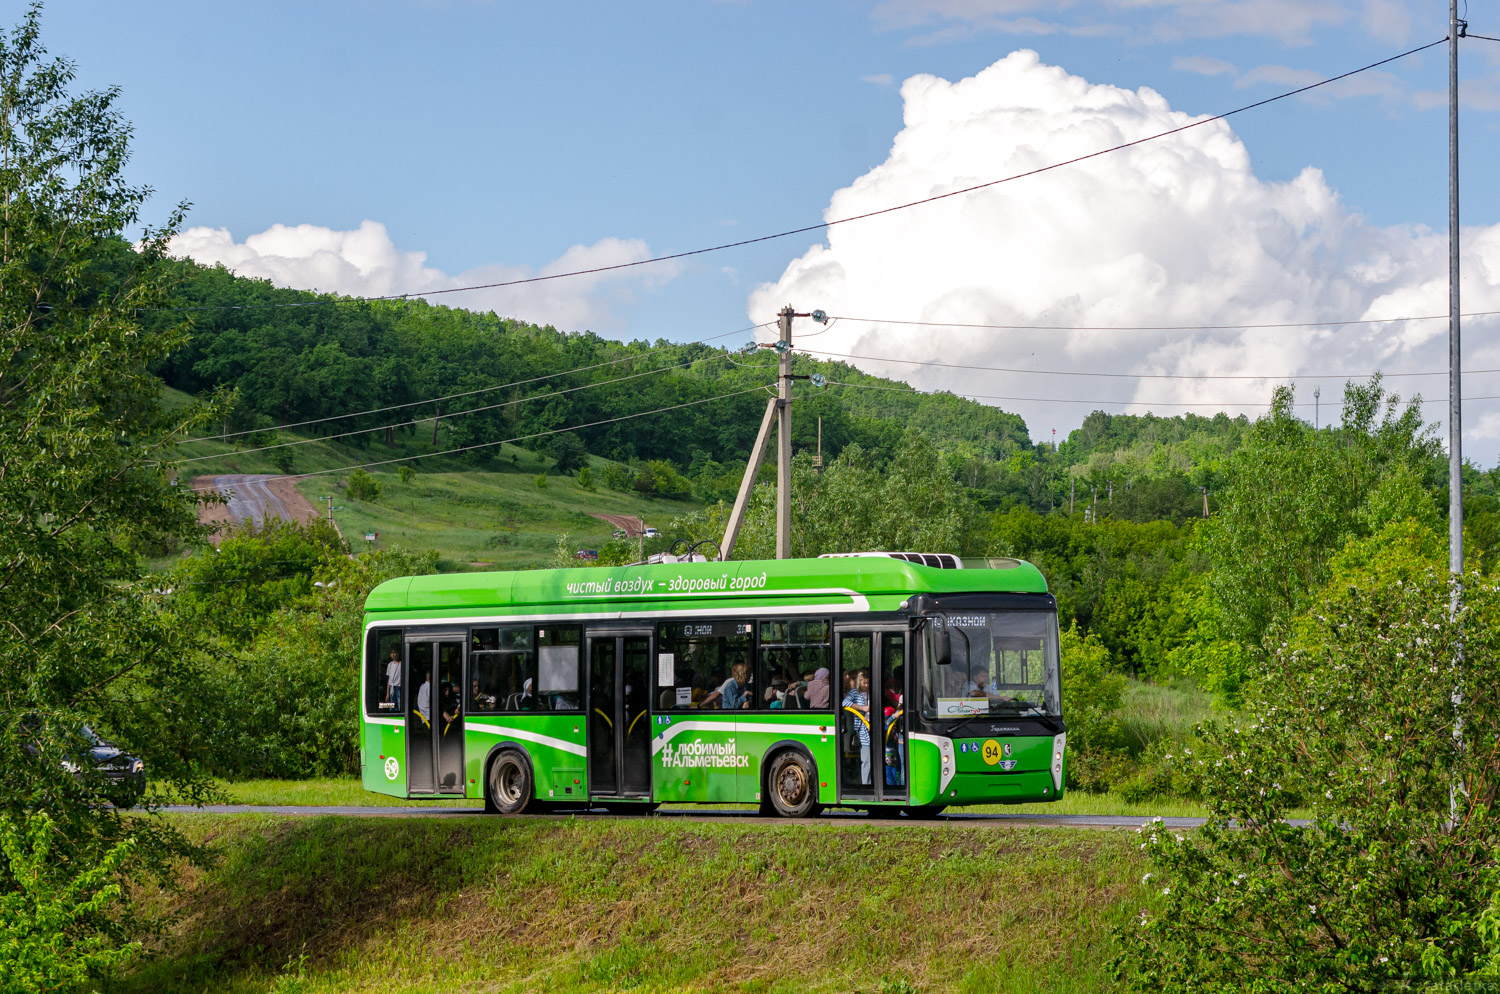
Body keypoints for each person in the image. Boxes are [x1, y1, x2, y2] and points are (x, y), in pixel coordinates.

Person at [842, 668, 872, 785]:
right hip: (863, 728)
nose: (866, 685)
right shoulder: (854, 693)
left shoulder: (872, 691)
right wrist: (862, 709)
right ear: (859, 682)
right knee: (867, 759)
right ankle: (866, 784)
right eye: (864, 683)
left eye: (868, 683)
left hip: (873, 727)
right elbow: (845, 703)